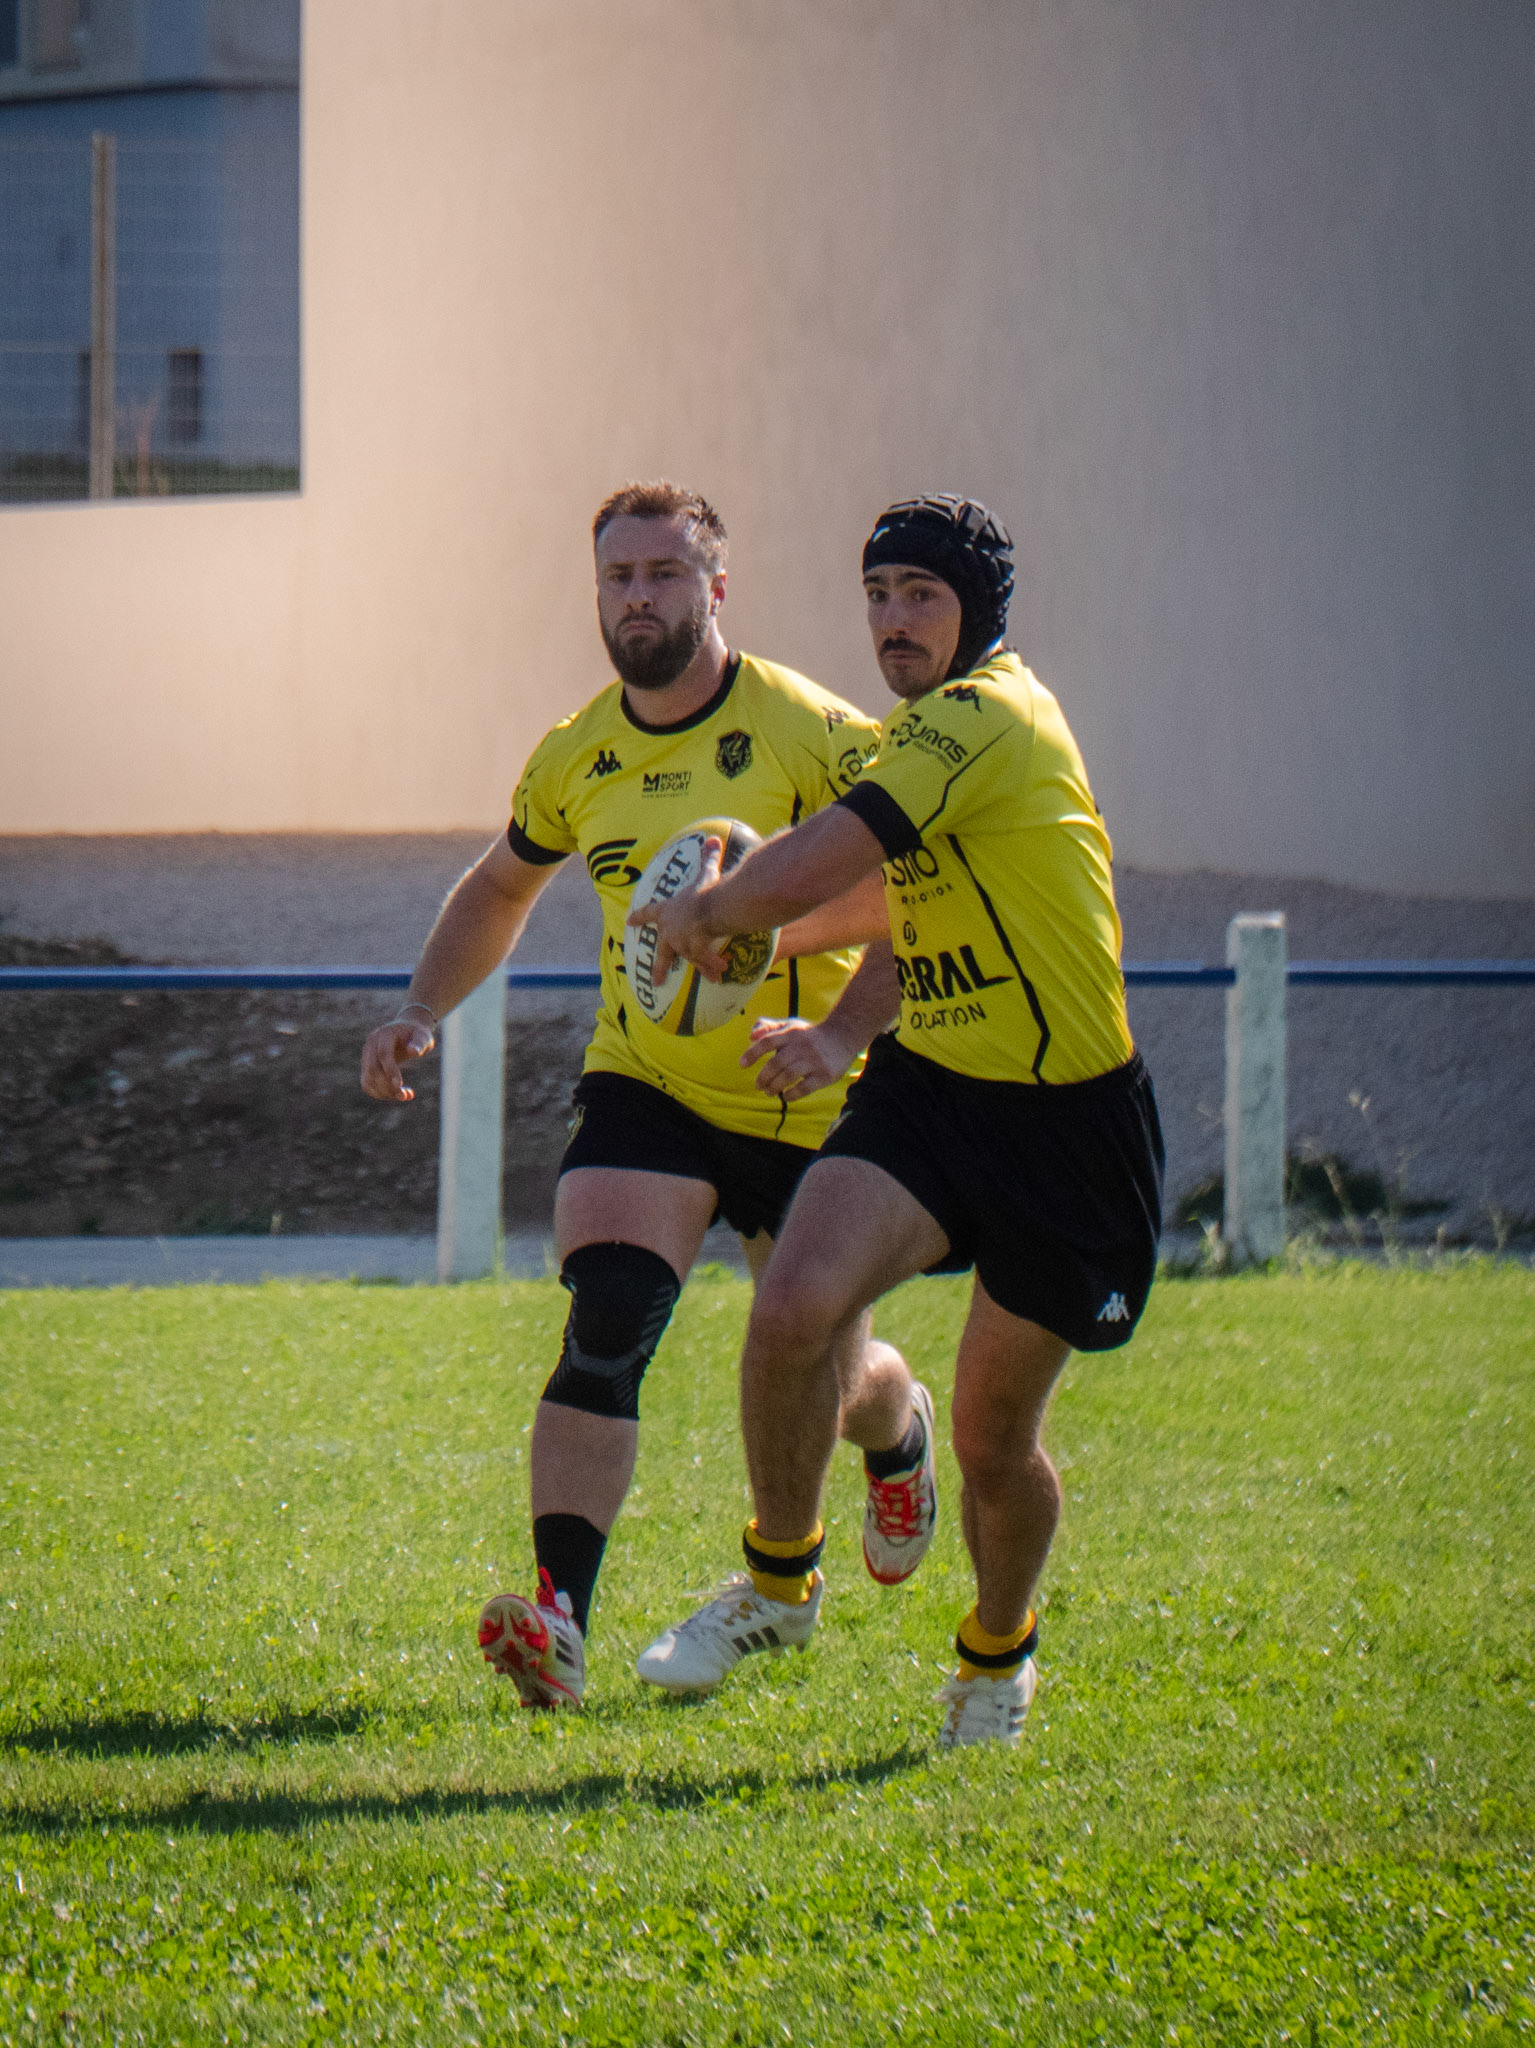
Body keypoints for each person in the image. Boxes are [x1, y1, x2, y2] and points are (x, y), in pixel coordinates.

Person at [360, 481, 938, 1711]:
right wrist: (419, 1004)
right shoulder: (577, 752)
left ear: (714, 588)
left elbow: (921, 885)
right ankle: (558, 1618)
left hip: (804, 1097)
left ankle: (896, 1424)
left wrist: (836, 1025)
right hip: (649, 1085)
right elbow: (500, 886)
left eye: (665, 574)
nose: (639, 598)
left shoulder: (811, 730)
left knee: (830, 1374)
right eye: (618, 577)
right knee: (608, 1317)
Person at [627, 494, 1164, 1747]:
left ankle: (995, 1654)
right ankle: (776, 1584)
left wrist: (716, 911)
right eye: (875, 595)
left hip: (1065, 1128)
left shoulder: (988, 717)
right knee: (791, 1304)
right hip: (930, 1088)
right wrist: (825, 1025)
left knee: (991, 1437)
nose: (891, 620)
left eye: (919, 594)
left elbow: (829, 852)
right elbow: (900, 902)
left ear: (976, 611)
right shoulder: (917, 737)